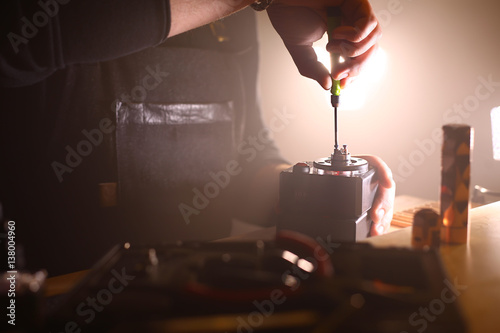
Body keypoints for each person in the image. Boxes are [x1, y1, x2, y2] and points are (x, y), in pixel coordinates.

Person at [0, 0, 394, 276]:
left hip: (198, 296)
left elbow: (239, 163)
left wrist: (316, 190)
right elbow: (19, 42)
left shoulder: (236, 14)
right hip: (50, 295)